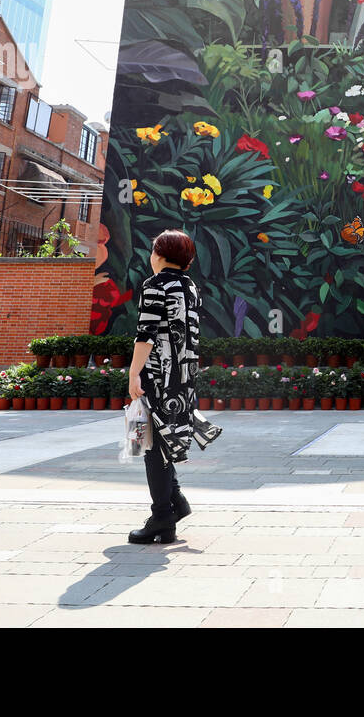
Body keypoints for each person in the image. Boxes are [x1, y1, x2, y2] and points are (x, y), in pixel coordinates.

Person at [127, 229, 220, 544]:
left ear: (158, 254)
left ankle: (163, 517)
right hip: (184, 377)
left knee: (152, 446)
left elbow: (146, 333)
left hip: (158, 376)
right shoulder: (190, 288)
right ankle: (175, 503)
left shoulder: (156, 285)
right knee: (165, 440)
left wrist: (134, 373)